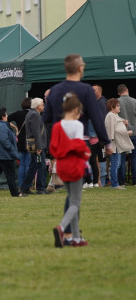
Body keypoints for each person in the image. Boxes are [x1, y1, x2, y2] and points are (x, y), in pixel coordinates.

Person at [42, 55, 111, 157]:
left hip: (61, 143)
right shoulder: (87, 90)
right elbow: (96, 118)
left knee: (64, 172)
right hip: (80, 142)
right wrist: (106, 142)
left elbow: (45, 118)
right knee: (79, 171)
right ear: (80, 68)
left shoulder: (54, 90)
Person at [51, 94, 92, 247]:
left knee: (71, 198)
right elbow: (80, 146)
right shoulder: (77, 125)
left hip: (62, 165)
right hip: (75, 164)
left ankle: (76, 238)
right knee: (75, 202)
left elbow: (54, 149)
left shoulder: (57, 126)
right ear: (76, 109)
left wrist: (65, 148)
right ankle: (61, 228)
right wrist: (85, 151)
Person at [20, 98, 50, 195]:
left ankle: (25, 188)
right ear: (38, 106)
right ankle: (40, 188)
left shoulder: (33, 114)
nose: (43, 106)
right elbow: (36, 132)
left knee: (33, 166)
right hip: (37, 146)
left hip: (35, 144)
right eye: (42, 104)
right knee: (40, 166)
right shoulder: (34, 115)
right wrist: (39, 147)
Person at [105, 98, 133, 189]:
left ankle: (115, 183)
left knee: (117, 164)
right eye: (117, 105)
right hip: (114, 144)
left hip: (117, 144)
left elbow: (117, 129)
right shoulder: (111, 116)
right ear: (112, 107)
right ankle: (114, 184)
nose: (119, 107)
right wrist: (127, 133)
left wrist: (125, 125)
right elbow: (113, 131)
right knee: (115, 164)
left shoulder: (114, 115)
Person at [117, 84, 136, 185]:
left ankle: (122, 181)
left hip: (122, 134)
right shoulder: (134, 101)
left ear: (119, 93)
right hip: (135, 132)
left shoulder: (116, 102)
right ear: (127, 90)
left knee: (122, 158)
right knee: (134, 158)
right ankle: (135, 180)